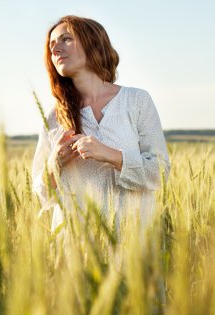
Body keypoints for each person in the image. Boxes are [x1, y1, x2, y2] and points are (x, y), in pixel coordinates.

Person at [32, 15, 171, 238]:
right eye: (51, 45)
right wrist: (53, 166)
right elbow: (40, 195)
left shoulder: (136, 101)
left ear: (93, 43)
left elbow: (161, 172)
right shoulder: (52, 116)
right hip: (75, 250)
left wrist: (110, 155)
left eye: (65, 39)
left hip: (132, 246)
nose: (55, 49)